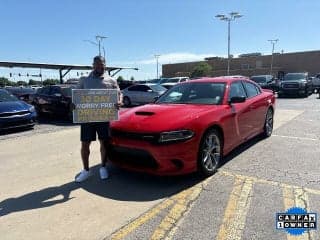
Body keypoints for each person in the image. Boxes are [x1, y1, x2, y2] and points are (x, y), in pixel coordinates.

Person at [75, 55, 122, 183]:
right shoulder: (84, 79)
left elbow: (119, 93)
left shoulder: (111, 80)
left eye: (101, 64)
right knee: (85, 144)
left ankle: (103, 167)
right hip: (87, 118)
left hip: (104, 117)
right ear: (93, 65)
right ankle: (86, 170)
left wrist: (119, 101)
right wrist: (73, 104)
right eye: (97, 64)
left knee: (104, 143)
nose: (99, 67)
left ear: (105, 65)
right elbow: (76, 96)